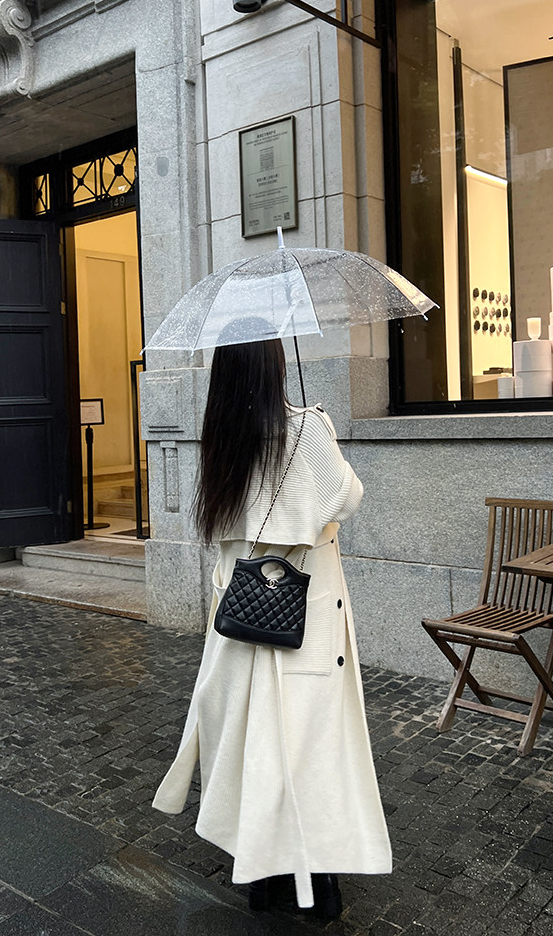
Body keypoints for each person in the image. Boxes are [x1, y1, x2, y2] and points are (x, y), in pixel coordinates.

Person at [152, 335, 392, 919]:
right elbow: (346, 497)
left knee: (252, 739)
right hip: (304, 613)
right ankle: (317, 883)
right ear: (275, 365)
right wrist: (317, 428)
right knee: (312, 743)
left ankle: (262, 874)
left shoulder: (221, 438)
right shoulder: (306, 429)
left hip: (239, 614)